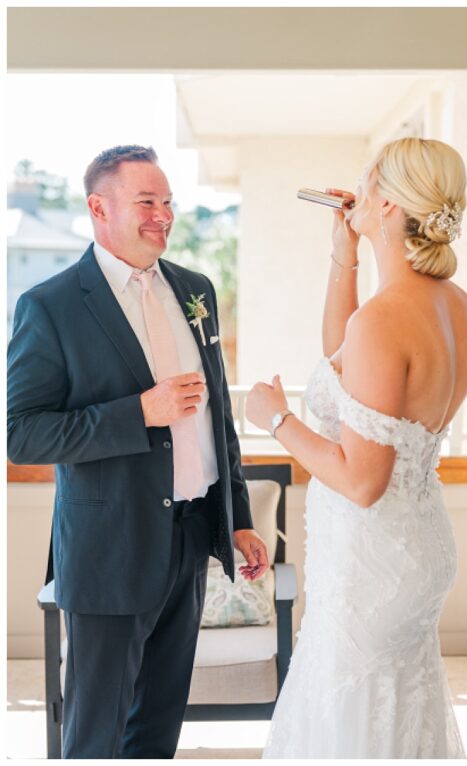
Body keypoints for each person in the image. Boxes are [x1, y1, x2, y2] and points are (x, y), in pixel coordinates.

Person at [7, 145, 270, 758]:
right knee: (97, 734)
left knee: (157, 728)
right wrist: (138, 413)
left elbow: (219, 420)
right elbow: (21, 434)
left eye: (168, 202)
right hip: (108, 552)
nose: (163, 215)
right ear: (99, 207)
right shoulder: (51, 306)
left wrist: (238, 520)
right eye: (146, 201)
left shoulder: (194, 290)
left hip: (190, 538)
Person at [246, 137, 467, 758]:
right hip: (417, 546)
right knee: (396, 713)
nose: (355, 193)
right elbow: (346, 364)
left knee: (349, 716)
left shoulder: (384, 320)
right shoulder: (455, 306)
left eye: (364, 184)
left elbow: (361, 480)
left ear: (386, 206)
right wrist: (341, 257)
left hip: (371, 563)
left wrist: (277, 422)